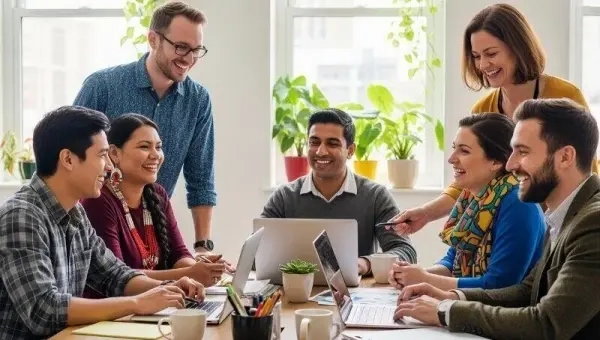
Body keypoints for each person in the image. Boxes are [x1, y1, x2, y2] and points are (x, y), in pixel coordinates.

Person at [393, 98, 600, 339]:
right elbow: (526, 291)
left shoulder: (592, 222)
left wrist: (445, 310)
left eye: (522, 152)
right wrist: (450, 297)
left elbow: (547, 323)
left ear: (565, 157)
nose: (510, 164)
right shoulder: (563, 215)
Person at [0, 106, 205, 340]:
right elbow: (43, 310)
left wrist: (172, 286)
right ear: (68, 159)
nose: (109, 166)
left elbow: (114, 275)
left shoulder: (75, 212)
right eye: (101, 155)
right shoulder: (22, 215)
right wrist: (137, 303)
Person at [390, 3, 596, 235]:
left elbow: (587, 169)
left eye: (491, 54)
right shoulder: (483, 110)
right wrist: (425, 213)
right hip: (511, 230)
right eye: (477, 56)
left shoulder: (565, 96)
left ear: (517, 48)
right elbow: (471, 180)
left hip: (564, 225)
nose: (482, 65)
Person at [73, 1, 222, 259]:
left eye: (196, 50)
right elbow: (70, 155)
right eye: (180, 47)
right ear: (153, 40)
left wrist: (202, 246)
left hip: (154, 232)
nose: (188, 59)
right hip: (95, 231)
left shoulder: (198, 100)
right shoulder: (103, 86)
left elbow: (201, 178)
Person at [388, 113, 545, 291]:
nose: (451, 159)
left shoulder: (518, 204)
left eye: (464, 151)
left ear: (496, 161)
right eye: (454, 148)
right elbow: (452, 262)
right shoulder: (472, 197)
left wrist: (425, 279)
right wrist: (412, 275)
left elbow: (500, 285)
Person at [81, 113, 229, 294]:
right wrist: (189, 274)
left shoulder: (157, 194)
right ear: (114, 153)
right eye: (144, 147)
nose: (155, 155)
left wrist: (202, 269)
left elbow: (179, 254)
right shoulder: (98, 201)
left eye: (158, 147)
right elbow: (116, 277)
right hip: (122, 312)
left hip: (160, 303)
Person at [261, 108, 416, 276]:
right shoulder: (284, 197)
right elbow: (256, 254)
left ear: (350, 150)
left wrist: (366, 263)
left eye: (332, 143)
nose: (321, 151)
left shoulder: (376, 196)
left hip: (357, 294)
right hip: (295, 292)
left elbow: (405, 251)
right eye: (314, 142)